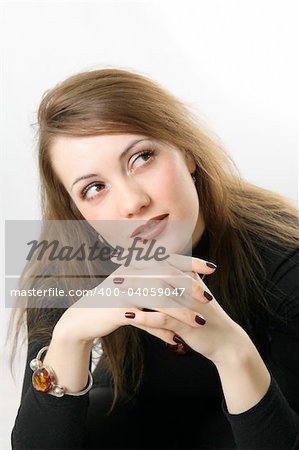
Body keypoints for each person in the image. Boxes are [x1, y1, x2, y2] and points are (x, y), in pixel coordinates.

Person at [8, 67, 299, 449]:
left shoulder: (282, 254)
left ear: (188, 153)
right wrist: (68, 337)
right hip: (140, 418)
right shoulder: (68, 263)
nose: (133, 202)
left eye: (142, 158)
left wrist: (232, 350)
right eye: (94, 188)